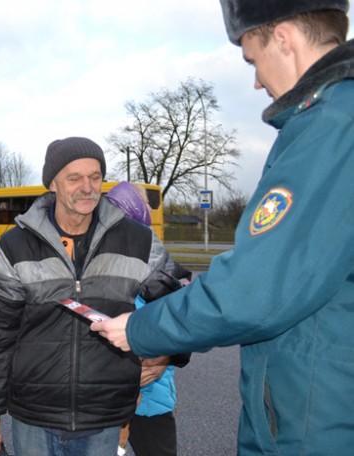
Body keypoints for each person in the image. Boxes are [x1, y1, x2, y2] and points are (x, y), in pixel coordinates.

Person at [91, 1, 354, 454]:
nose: (255, 80)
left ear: (284, 38)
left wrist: (140, 329)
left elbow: (256, 289)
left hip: (316, 420)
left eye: (252, 58)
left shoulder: (329, 126)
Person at [0, 137, 187, 456]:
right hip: (33, 417)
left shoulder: (137, 240)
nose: (87, 187)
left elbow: (179, 298)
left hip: (105, 417)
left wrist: (169, 353)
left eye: (95, 176)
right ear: (53, 184)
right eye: (74, 178)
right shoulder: (14, 246)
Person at [106, 182, 191, 456]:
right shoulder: (102, 264)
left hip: (149, 395)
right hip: (114, 394)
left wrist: (166, 355)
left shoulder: (160, 268)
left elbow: (184, 325)